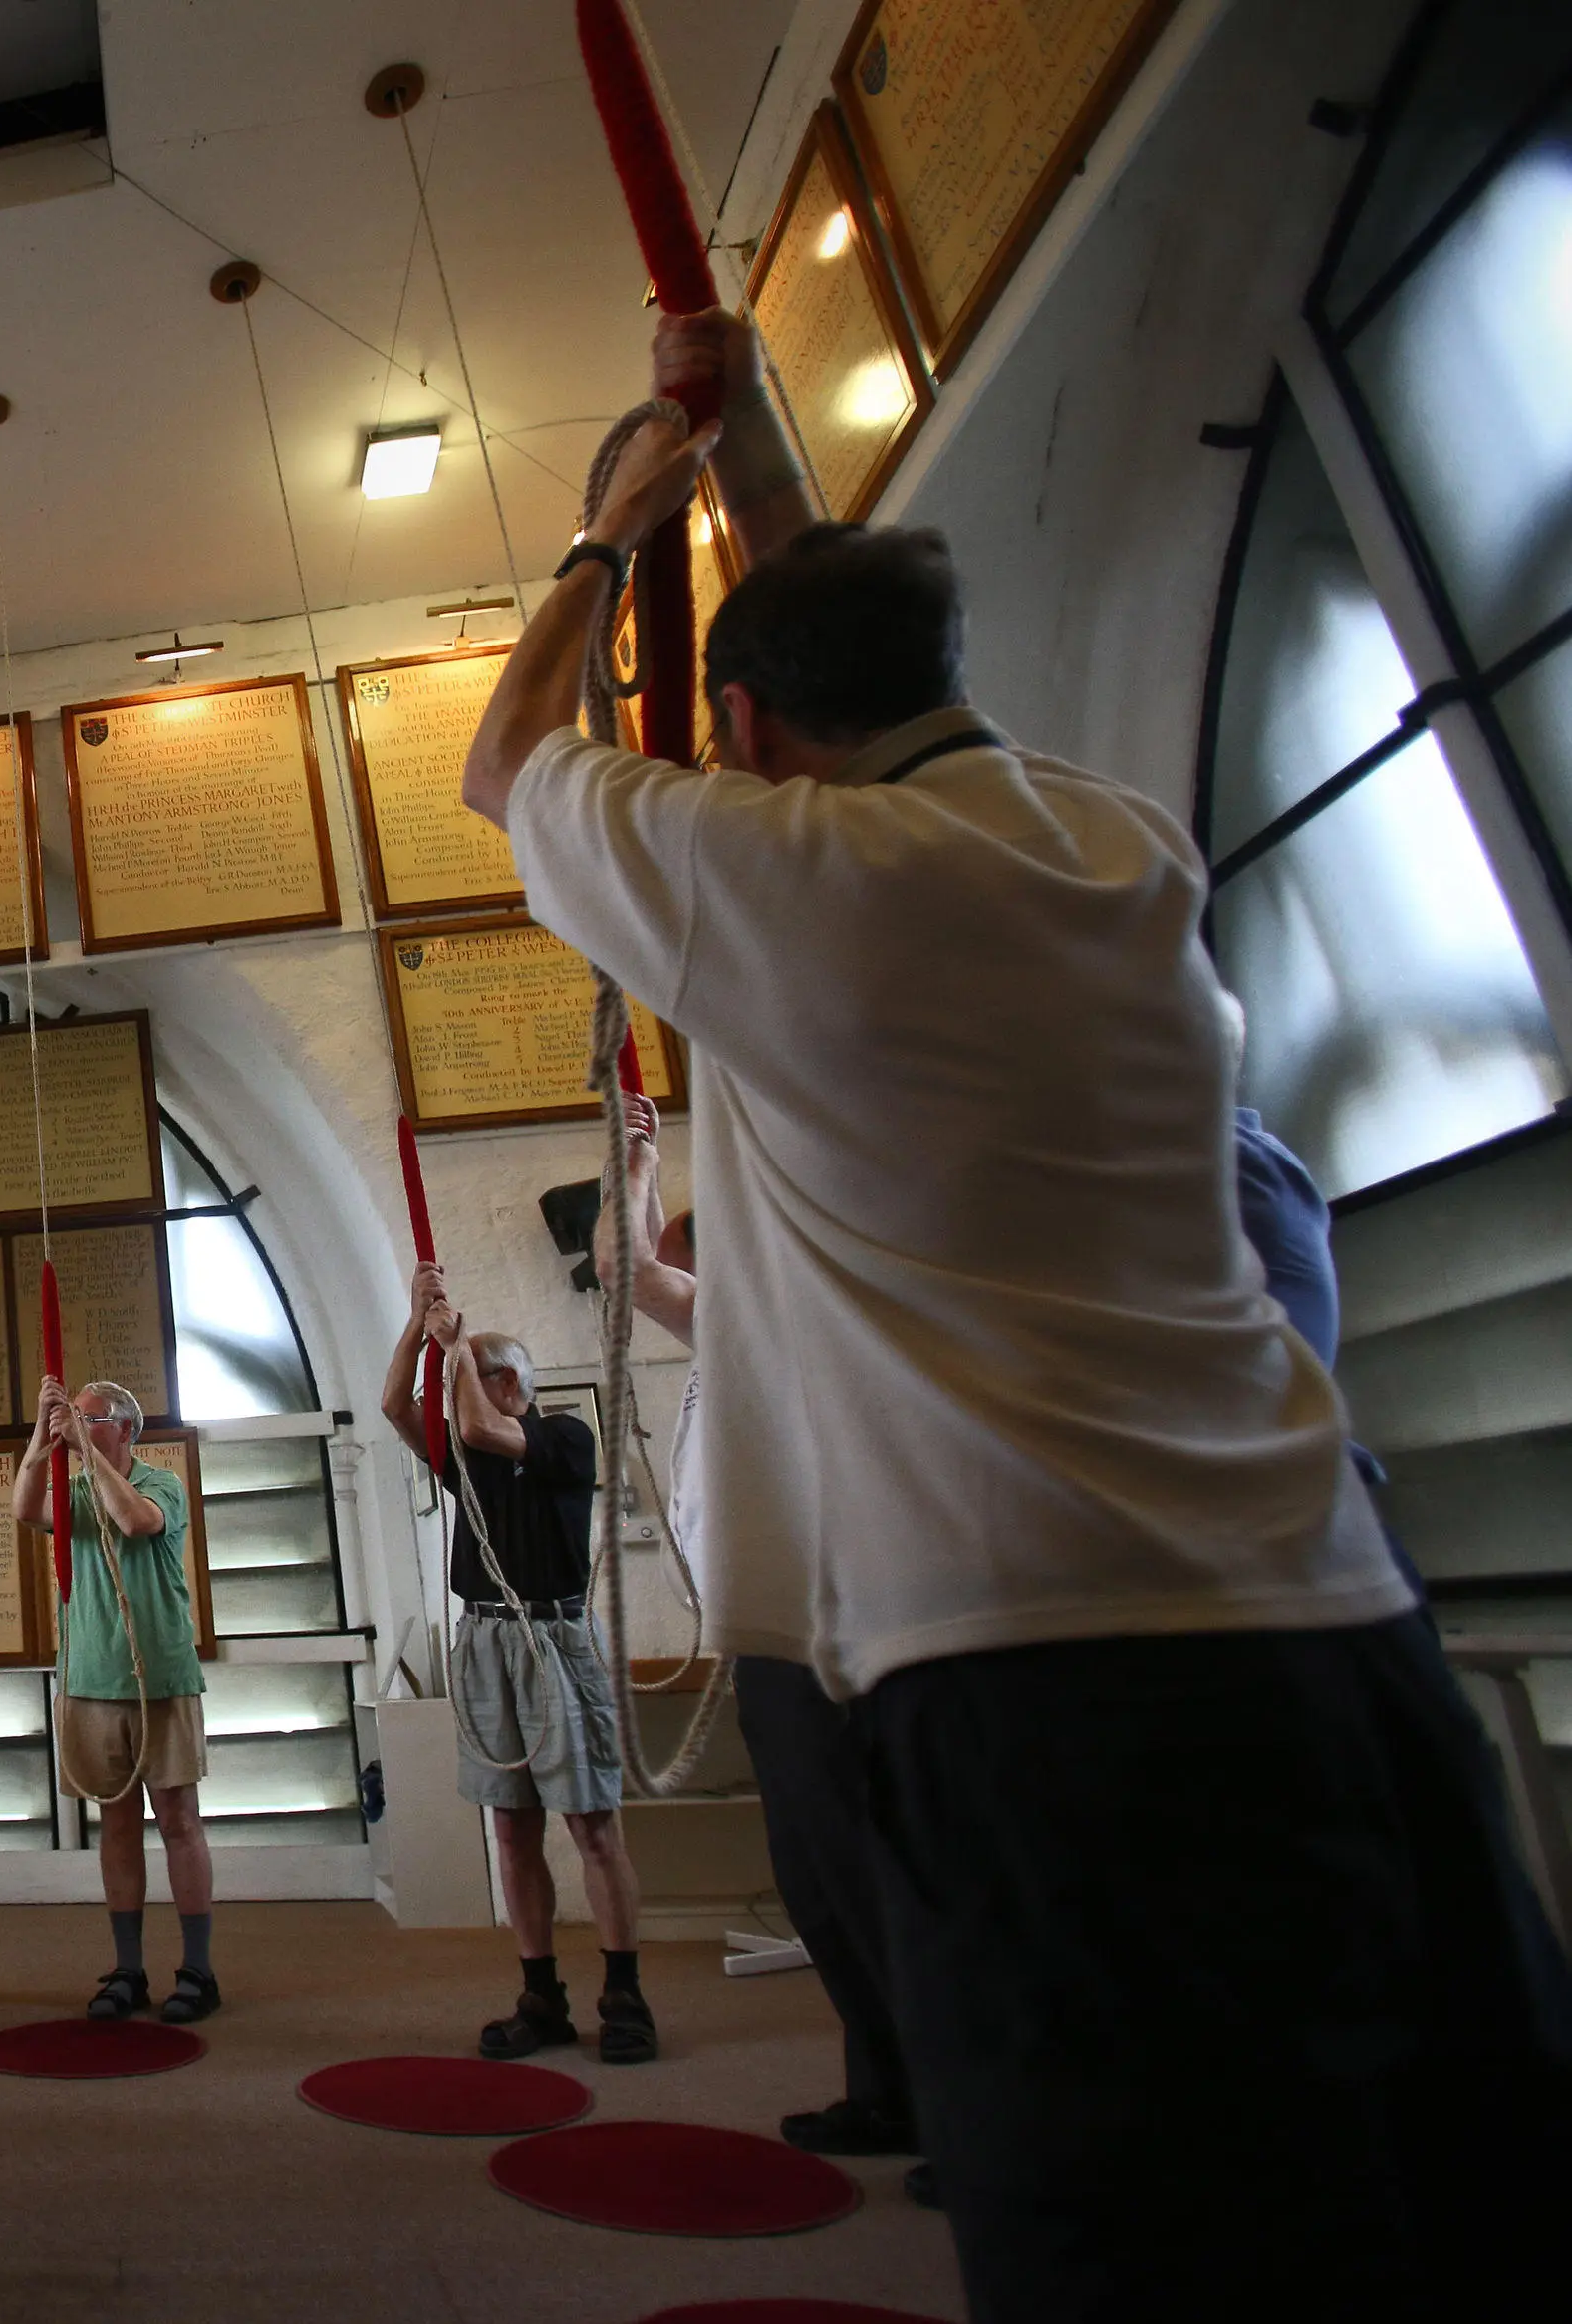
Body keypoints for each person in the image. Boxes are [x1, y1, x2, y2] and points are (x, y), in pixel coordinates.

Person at [459, 306, 1570, 2317]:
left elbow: (507, 756)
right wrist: (750, 440)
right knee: (1465, 2207)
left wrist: (613, 524)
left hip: (1048, 1672)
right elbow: (859, 658)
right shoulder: (1107, 840)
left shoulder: (792, 880)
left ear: (746, 731)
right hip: (1335, 1618)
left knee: (1138, 2240)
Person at [617, 1093, 909, 2153]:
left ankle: (936, 2096)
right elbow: (635, 1264)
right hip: (775, 1639)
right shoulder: (729, 1334)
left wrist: (640, 1163)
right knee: (818, 1876)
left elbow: (628, 1269)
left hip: (830, 1632)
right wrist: (640, 1166)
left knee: (864, 1871)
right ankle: (887, 2086)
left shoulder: (788, 1316)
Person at [379, 1284, 656, 2066]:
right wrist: (418, 1325)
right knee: (511, 1825)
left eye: (470, 1373)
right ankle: (542, 1995)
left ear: (510, 1381)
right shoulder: (468, 1462)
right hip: (488, 1641)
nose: (454, 1390)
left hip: (555, 1638)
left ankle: (625, 1994)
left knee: (591, 1824)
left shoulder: (563, 1437)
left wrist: (456, 1350)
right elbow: (394, 1403)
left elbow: (476, 1422)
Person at [14, 1378, 218, 2025]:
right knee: (119, 1823)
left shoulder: (161, 1484)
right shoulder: (73, 1489)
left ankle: (198, 1968)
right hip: (93, 1680)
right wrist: (42, 1435)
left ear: (125, 1429)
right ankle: (129, 1967)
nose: (76, 1425)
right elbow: (25, 1508)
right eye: (72, 1415)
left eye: (90, 1418)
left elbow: (135, 1521)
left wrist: (84, 1449)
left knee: (179, 1820)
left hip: (159, 1679)